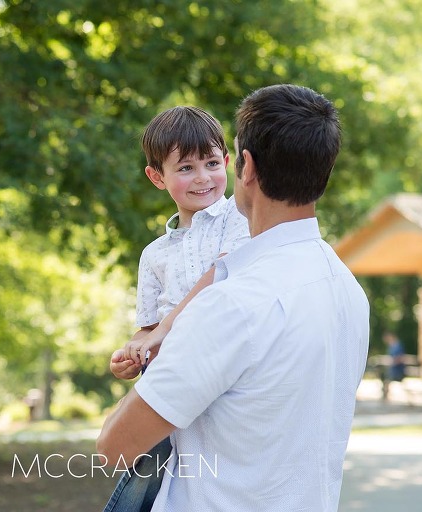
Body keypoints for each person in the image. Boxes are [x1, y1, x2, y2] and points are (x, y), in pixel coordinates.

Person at [97, 84, 370, 511]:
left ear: (243, 166)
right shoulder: (345, 287)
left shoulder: (231, 304)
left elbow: (115, 447)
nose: (204, 177)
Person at [103, 106, 250, 512]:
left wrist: (165, 329)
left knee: (211, 467)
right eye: (185, 167)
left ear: (228, 162)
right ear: (157, 177)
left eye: (211, 163)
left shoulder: (239, 216)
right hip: (169, 372)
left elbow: (223, 270)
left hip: (218, 364)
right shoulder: (154, 254)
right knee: (145, 470)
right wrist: (132, 352)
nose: (202, 177)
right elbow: (145, 328)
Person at [382, 331, 406, 399]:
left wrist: (392, 361)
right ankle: (385, 395)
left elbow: (401, 358)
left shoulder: (398, 345)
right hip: (393, 368)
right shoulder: (391, 346)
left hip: (397, 369)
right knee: (384, 375)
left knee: (387, 377)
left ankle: (385, 395)